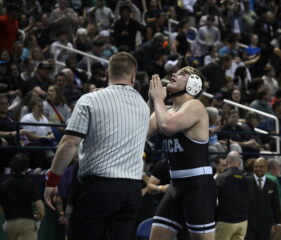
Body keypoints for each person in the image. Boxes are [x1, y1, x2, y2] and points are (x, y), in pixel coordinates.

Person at [43, 52, 150, 240]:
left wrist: (52, 181)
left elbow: (69, 144)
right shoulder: (143, 106)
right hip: (132, 191)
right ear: (133, 76)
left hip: (99, 189)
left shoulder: (90, 99)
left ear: (107, 74)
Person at [148, 67, 217, 240]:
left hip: (198, 187)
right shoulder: (168, 110)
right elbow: (140, 130)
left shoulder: (195, 106)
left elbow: (167, 127)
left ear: (194, 84)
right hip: (176, 186)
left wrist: (158, 100)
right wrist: (151, 101)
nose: (173, 75)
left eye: (181, 74)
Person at [0, 154, 45, 240]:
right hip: (26, 224)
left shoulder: (3, 185)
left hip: (9, 225)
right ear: (26, 167)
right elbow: (39, 205)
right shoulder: (29, 184)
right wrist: (39, 216)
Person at [215, 151, 251, 240]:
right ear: (239, 163)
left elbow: (212, 199)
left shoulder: (221, 178)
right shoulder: (247, 179)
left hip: (226, 221)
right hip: (243, 222)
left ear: (227, 162)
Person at [246, 157, 281, 240]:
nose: (258, 169)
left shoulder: (272, 184)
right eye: (256, 166)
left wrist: (278, 223)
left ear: (266, 168)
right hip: (248, 224)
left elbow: (276, 205)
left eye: (261, 166)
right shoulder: (246, 181)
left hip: (265, 224)